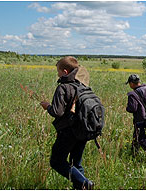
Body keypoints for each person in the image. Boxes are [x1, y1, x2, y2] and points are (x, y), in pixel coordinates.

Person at [40, 56, 94, 189]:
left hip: (68, 131)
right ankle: (82, 187)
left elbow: (57, 112)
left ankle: (84, 183)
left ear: (65, 72)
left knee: (56, 161)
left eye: (58, 71)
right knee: (76, 163)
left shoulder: (63, 88)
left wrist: (47, 106)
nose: (57, 74)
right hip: (83, 130)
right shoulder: (83, 85)